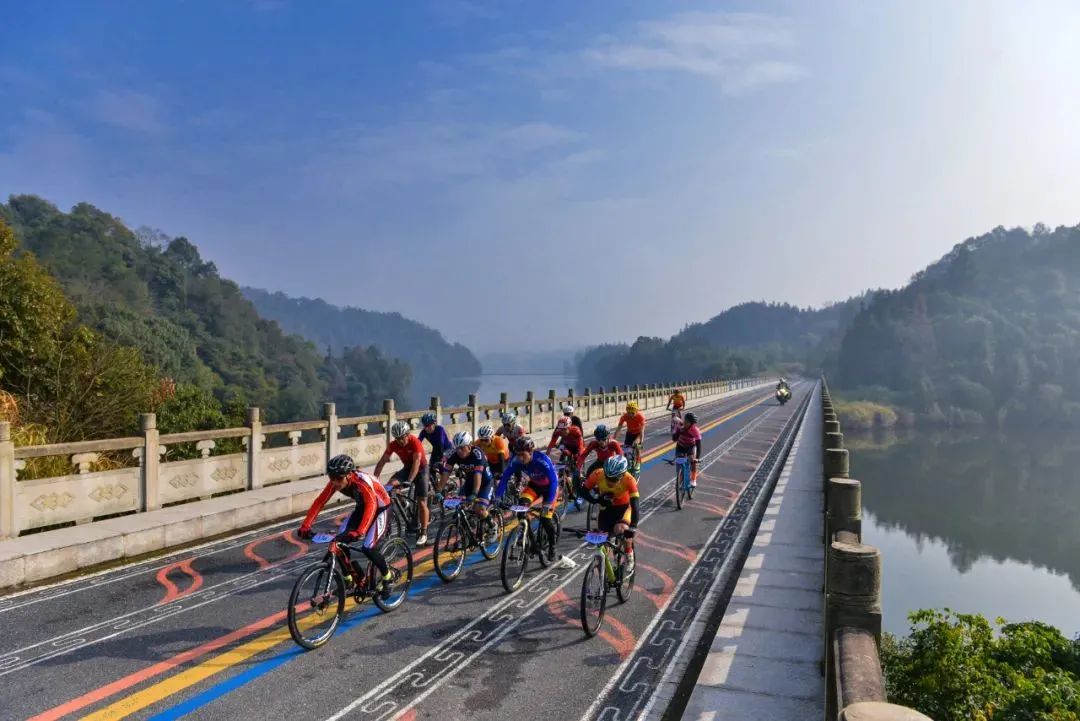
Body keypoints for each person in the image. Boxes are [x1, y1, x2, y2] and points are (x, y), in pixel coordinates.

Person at [298, 454, 394, 594]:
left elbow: (372, 505)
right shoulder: (334, 483)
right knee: (339, 542)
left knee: (368, 547)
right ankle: (349, 579)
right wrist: (306, 525)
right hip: (363, 507)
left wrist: (360, 531)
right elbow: (320, 502)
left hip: (381, 508)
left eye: (338, 478)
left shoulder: (361, 482)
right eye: (332, 478)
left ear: (349, 475)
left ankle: (388, 577)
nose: (335, 482)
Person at [494, 436, 560, 562]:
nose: (520, 458)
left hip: (550, 489)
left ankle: (552, 546)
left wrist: (547, 504)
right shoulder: (516, 461)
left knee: (546, 520)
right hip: (534, 486)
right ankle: (532, 543)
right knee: (521, 510)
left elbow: (553, 482)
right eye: (517, 454)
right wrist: (498, 496)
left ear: (530, 452)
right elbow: (505, 478)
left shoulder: (542, 460)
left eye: (522, 454)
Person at [374, 420, 431, 546]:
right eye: (397, 439)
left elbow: (416, 462)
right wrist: (375, 479)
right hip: (406, 469)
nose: (400, 441)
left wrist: (409, 481)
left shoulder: (414, 442)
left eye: (402, 438)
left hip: (421, 470)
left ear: (408, 434)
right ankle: (403, 502)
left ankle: (424, 532)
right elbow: (382, 461)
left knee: (422, 502)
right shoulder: (393, 444)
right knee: (389, 487)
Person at [580, 455, 639, 573]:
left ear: (622, 475)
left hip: (624, 509)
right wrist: (596, 500)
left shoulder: (629, 480)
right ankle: (606, 572)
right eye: (608, 477)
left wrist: (633, 526)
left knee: (621, 529)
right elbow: (583, 491)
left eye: (614, 479)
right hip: (606, 509)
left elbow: (635, 505)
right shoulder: (598, 474)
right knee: (602, 542)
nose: (609, 481)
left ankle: (629, 554)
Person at [440, 431, 494, 516]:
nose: (459, 451)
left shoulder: (477, 453)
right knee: (460, 506)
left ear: (469, 446)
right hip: (470, 482)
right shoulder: (455, 454)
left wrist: (474, 493)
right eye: (457, 448)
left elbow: (478, 475)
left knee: (479, 510)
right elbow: (446, 472)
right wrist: (439, 491)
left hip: (485, 483)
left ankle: (492, 524)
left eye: (462, 448)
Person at [547, 415, 586, 507]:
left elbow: (581, 444)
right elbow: (552, 442)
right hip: (567, 446)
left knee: (577, 463)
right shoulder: (558, 431)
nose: (563, 432)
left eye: (565, 430)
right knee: (562, 460)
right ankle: (565, 478)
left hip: (577, 447)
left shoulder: (576, 430)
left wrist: (579, 456)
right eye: (561, 430)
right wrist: (547, 454)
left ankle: (579, 478)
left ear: (569, 427)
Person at [418, 412, 451, 488]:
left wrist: (442, 458)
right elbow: (418, 443)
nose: (427, 428)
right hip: (436, 449)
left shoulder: (439, 429)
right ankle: (436, 486)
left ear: (434, 424)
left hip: (446, 449)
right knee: (431, 468)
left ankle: (445, 483)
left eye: (429, 426)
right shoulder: (424, 432)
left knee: (440, 466)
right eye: (425, 426)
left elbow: (441, 443)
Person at [673, 411, 702, 488]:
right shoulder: (680, 426)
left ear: (691, 423)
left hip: (690, 447)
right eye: (685, 421)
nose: (685, 423)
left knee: (692, 461)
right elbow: (674, 439)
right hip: (680, 446)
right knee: (678, 463)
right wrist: (677, 430)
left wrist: (697, 458)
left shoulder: (695, 430)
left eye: (687, 422)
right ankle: (680, 478)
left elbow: (698, 444)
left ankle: (693, 479)